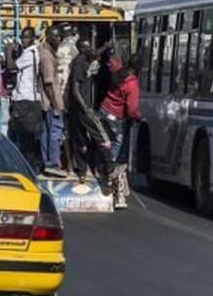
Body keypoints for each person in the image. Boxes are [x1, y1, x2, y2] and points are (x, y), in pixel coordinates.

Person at [65, 37, 111, 184]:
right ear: (82, 50)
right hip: (81, 107)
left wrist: (104, 46)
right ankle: (109, 167)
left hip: (80, 107)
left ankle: (83, 170)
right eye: (88, 47)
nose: (92, 49)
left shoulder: (87, 58)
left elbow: (95, 53)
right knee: (100, 135)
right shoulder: (79, 63)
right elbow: (75, 89)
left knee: (81, 139)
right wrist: (86, 108)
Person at [98, 54, 141, 209]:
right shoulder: (132, 83)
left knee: (106, 146)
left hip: (103, 112)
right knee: (119, 156)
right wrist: (137, 117)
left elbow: (111, 62)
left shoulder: (118, 72)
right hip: (117, 118)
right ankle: (114, 187)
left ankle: (106, 173)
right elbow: (132, 109)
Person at [5, 26, 43, 174]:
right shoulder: (27, 53)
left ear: (33, 38)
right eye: (22, 38)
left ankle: (30, 169)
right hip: (24, 99)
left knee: (26, 138)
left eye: (26, 38)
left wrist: (8, 51)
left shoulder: (30, 53)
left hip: (26, 100)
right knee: (24, 138)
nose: (23, 41)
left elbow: (11, 66)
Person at [38, 26, 66, 178]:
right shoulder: (47, 56)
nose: (58, 40)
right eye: (55, 37)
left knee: (46, 132)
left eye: (60, 37)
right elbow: (49, 83)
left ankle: (46, 162)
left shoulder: (42, 51)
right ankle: (52, 163)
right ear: (48, 36)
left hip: (45, 102)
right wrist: (56, 104)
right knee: (55, 132)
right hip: (50, 102)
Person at [56, 23, 78, 95]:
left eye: (68, 32)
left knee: (63, 90)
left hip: (66, 69)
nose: (68, 34)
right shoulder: (60, 43)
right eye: (66, 32)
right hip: (59, 69)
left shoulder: (70, 43)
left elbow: (75, 56)